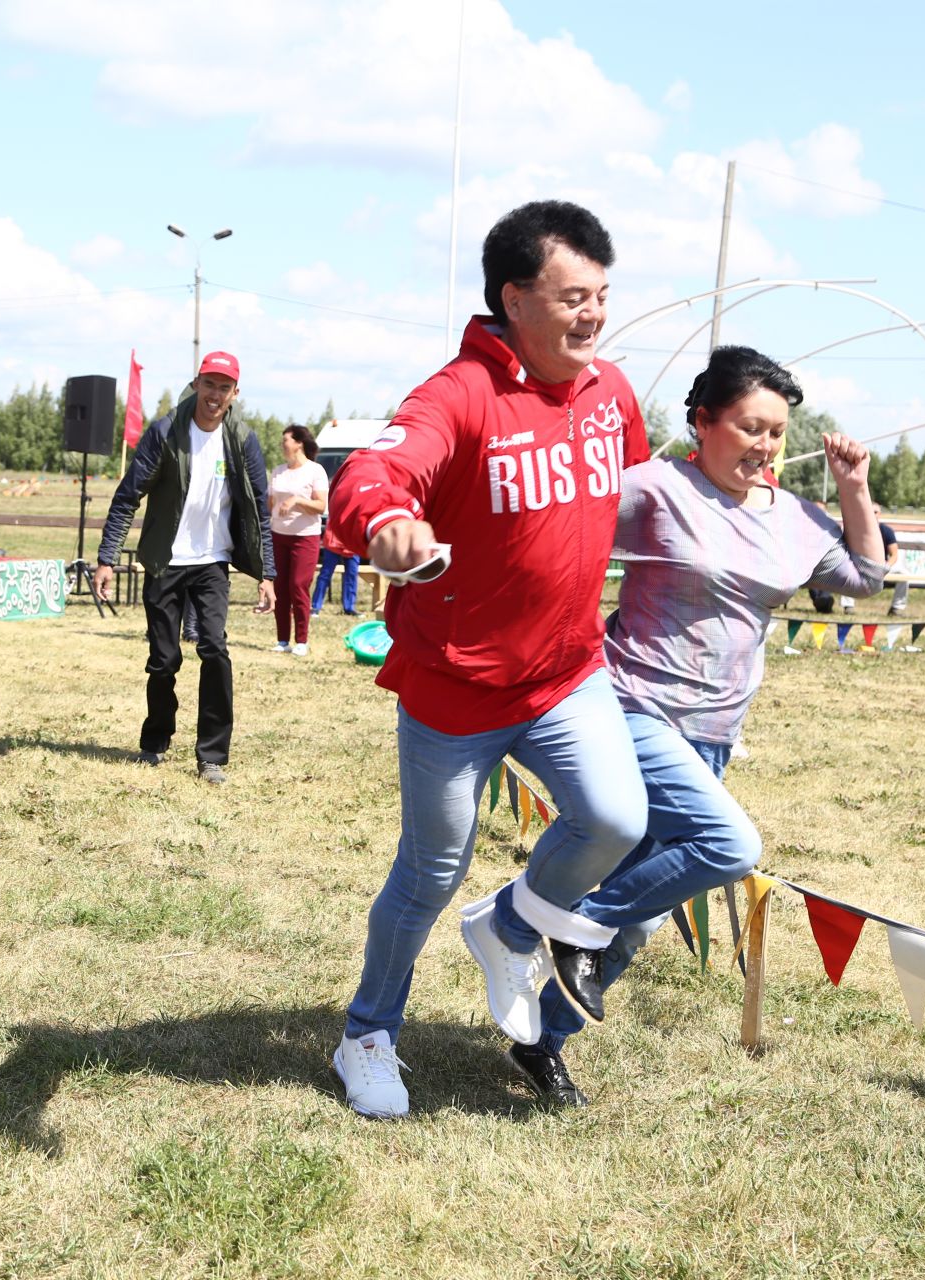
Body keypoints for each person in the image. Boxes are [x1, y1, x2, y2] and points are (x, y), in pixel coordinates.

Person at [323, 201, 651, 1118]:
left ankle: (508, 925)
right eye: (573, 296)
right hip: (455, 689)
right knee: (429, 869)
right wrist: (385, 523)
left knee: (617, 819)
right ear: (514, 298)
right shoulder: (459, 394)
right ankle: (367, 1036)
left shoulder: (610, 393)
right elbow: (375, 476)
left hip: (567, 676)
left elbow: (644, 489)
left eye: (603, 296)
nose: (593, 315)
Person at [520, 345, 887, 1105]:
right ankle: (569, 921)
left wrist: (854, 488)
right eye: (750, 427)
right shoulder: (657, 488)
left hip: (714, 733)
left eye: (778, 433)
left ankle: (542, 1039)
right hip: (632, 708)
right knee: (729, 845)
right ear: (703, 422)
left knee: (644, 919)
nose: (765, 446)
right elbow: (554, 527)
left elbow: (866, 577)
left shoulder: (789, 516)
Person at [93, 352, 276, 785]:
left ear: (235, 393)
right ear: (196, 384)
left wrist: (268, 573)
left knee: (214, 648)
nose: (215, 394)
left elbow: (259, 512)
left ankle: (211, 755)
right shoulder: (165, 433)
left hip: (213, 561)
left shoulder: (243, 440)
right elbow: (126, 497)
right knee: (164, 659)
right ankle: (155, 741)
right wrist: (106, 559)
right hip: (165, 560)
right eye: (209, 384)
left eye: (224, 387)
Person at [266, 424, 329, 655]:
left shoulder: (315, 471)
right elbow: (270, 504)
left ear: (298, 443)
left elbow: (320, 506)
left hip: (305, 538)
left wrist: (297, 501)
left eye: (286, 440)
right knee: (280, 588)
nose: (283, 444)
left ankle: (301, 641)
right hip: (278, 536)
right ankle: (283, 640)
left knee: (298, 586)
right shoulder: (278, 471)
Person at [311, 524, 361, 616]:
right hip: (334, 538)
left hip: (352, 539)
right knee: (325, 574)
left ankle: (349, 608)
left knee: (352, 574)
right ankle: (315, 607)